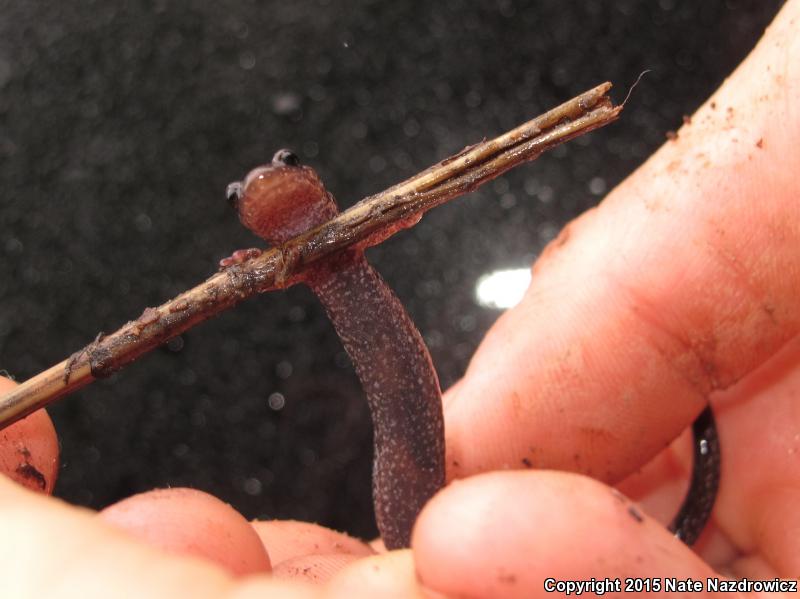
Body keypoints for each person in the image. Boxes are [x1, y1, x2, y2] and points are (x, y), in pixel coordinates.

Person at [2, 1, 798, 595]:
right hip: (410, 484)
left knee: (430, 487)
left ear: (317, 183)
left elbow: (403, 210)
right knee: (421, 502)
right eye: (241, 188)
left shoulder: (340, 241)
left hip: (421, 468)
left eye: (286, 161)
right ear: (247, 226)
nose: (267, 178)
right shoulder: (296, 261)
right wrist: (257, 267)